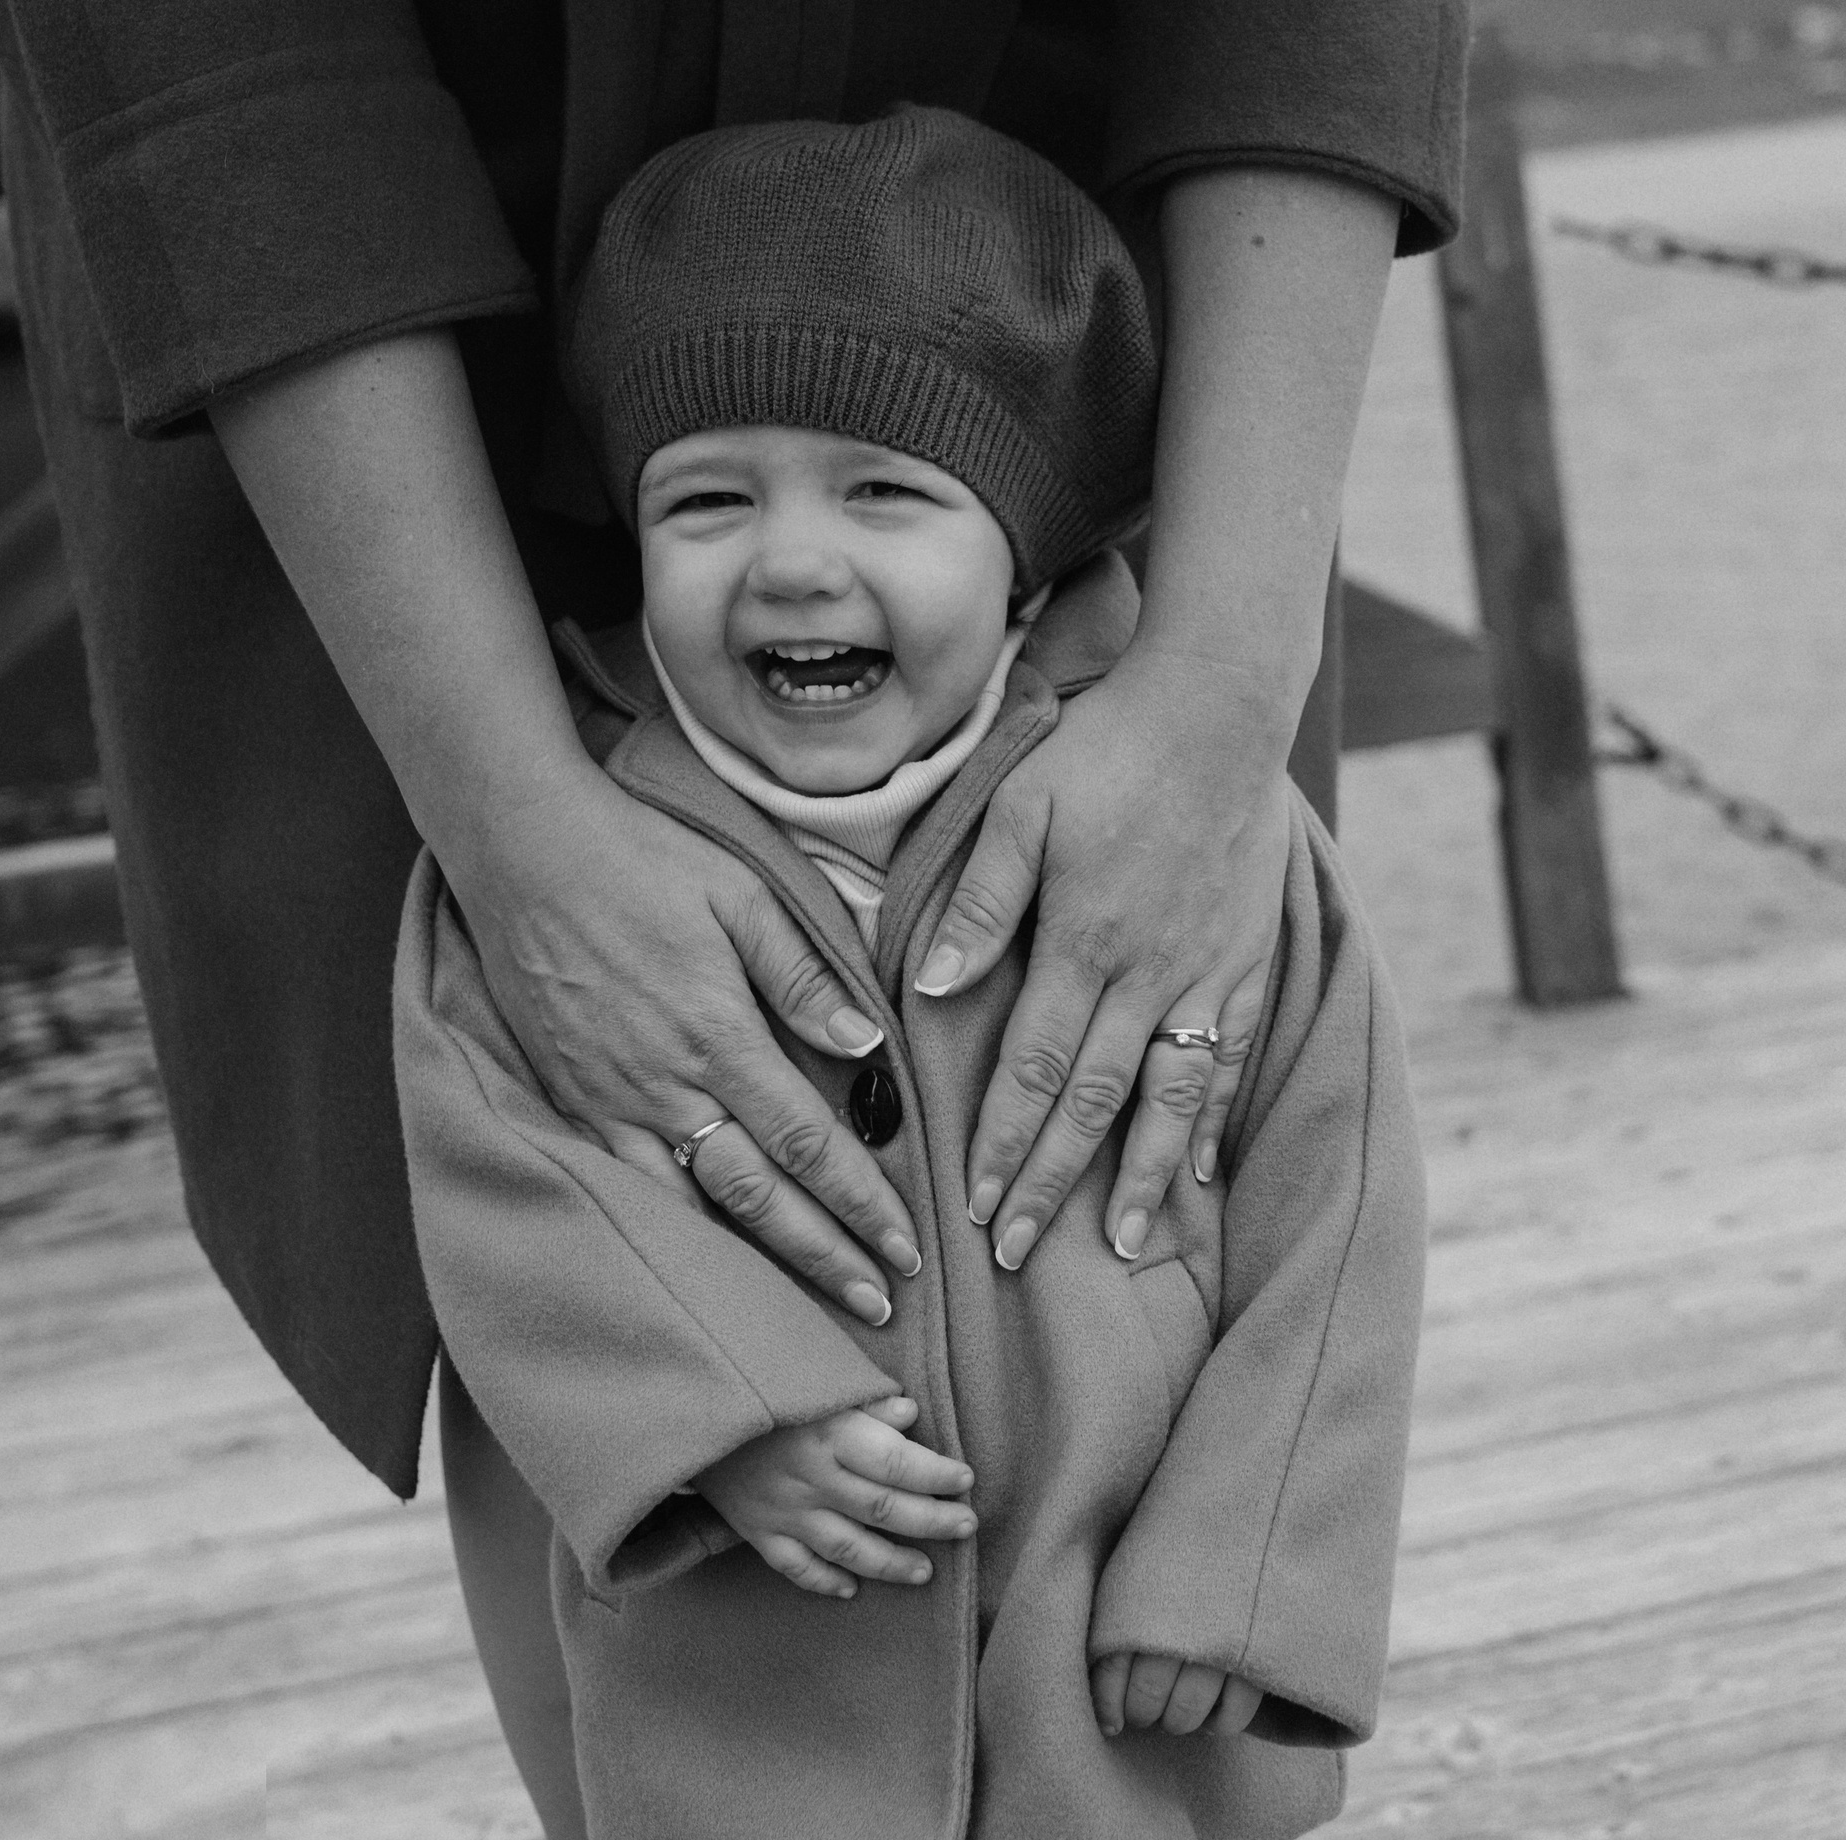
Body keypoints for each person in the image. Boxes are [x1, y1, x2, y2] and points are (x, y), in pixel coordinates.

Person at [395, 108, 1426, 1840]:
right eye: (705, 499)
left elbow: (1342, 1214)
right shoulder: (562, 878)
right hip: (757, 1682)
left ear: (1026, 567)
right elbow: (508, 1187)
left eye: (889, 492)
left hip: (1119, 1658)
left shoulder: (1196, 850)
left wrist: (1243, 1567)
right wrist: (723, 1424)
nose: (794, 558)